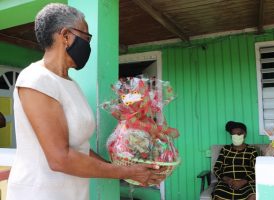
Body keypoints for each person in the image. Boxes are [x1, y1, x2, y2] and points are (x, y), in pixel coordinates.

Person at [6, 3, 165, 200]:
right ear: (65, 36)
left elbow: (79, 148)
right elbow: (60, 158)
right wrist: (126, 173)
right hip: (40, 193)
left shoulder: (71, 84)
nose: (88, 44)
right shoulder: (36, 80)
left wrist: (123, 168)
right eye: (86, 37)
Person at [212, 121, 258, 200]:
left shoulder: (252, 150)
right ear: (231, 136)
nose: (236, 136)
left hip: (246, 183)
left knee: (254, 195)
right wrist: (228, 180)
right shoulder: (225, 149)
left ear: (245, 134)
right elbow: (216, 168)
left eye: (239, 134)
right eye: (233, 134)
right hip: (227, 183)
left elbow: (257, 170)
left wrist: (242, 181)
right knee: (218, 194)